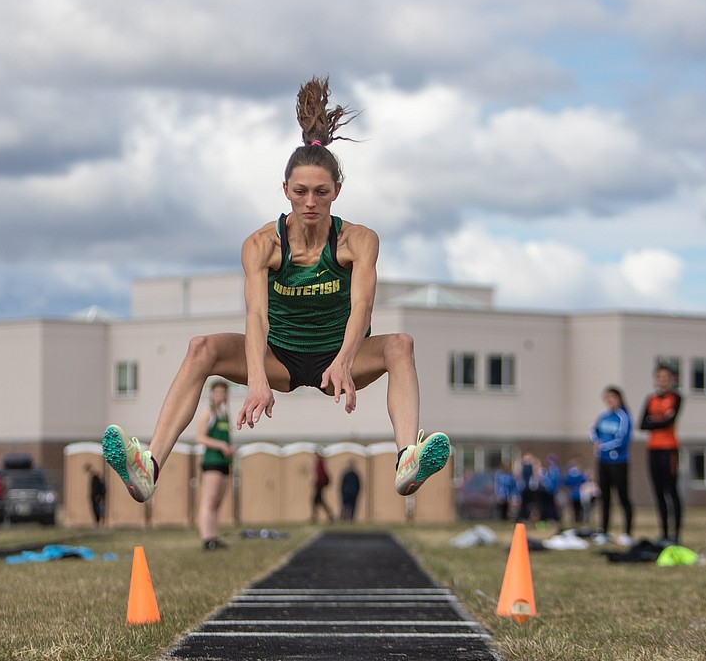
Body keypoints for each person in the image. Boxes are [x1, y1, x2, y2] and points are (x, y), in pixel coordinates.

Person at [102, 76, 450, 505]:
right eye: (300, 192)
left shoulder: (358, 240)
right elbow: (256, 317)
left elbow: (362, 305)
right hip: (279, 358)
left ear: (337, 192)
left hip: (339, 357)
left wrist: (342, 363)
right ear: (285, 190)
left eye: (321, 192)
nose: (310, 202)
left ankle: (406, 462)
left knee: (401, 345)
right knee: (200, 349)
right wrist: (255, 380)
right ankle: (149, 465)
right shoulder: (262, 245)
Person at [640, 365, 683, 544]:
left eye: (666, 377)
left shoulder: (676, 398)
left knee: (671, 491)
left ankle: (676, 534)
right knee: (658, 492)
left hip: (669, 449)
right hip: (653, 449)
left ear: (671, 379)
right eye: (659, 377)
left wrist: (655, 420)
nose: (662, 380)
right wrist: (660, 420)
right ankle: (664, 532)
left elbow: (669, 422)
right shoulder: (651, 399)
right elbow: (642, 424)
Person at [590, 385, 633, 543]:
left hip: (619, 462)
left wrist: (604, 446)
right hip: (603, 461)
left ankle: (627, 533)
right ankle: (604, 531)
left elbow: (622, 439)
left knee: (623, 497)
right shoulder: (604, 417)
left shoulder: (624, 416)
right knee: (604, 497)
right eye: (607, 398)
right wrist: (596, 442)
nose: (610, 401)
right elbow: (593, 431)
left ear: (619, 398)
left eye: (612, 397)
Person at [195, 380, 235, 549]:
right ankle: (207, 539)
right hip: (212, 462)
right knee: (208, 501)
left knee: (217, 503)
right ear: (212, 394)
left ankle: (214, 536)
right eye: (217, 392)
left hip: (225, 462)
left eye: (223, 392)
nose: (220, 395)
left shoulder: (225, 414)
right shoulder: (207, 413)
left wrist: (229, 448)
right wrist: (220, 445)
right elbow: (200, 437)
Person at [563, 457, 589, 526]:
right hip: (575, 493)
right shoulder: (576, 473)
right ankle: (577, 520)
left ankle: (578, 520)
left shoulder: (578, 473)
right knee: (577, 508)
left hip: (578, 493)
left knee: (577, 508)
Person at [311, 452, 334, 524]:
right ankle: (329, 516)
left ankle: (315, 517)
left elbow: (321, 475)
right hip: (319, 484)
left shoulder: (320, 463)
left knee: (315, 500)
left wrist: (318, 483)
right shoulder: (320, 463)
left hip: (320, 485)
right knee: (319, 501)